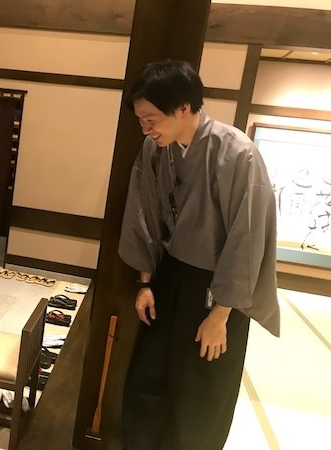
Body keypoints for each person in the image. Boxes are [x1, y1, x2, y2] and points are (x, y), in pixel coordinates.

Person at [118, 60, 280, 450]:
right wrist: (145, 283)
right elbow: (142, 214)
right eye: (141, 120)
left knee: (199, 394)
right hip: (170, 277)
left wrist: (220, 316)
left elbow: (248, 240)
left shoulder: (238, 153)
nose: (146, 129)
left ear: (184, 108)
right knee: (149, 380)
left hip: (218, 290)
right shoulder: (155, 149)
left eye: (151, 119)